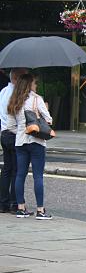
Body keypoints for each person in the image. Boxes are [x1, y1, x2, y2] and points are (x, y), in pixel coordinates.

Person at [6, 73, 53, 219]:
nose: (36, 85)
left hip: (20, 142)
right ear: (29, 85)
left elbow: (10, 126)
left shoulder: (14, 100)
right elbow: (49, 120)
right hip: (36, 142)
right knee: (38, 176)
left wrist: (22, 130)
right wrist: (45, 108)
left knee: (20, 174)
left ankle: (20, 208)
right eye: (34, 83)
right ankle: (40, 210)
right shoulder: (37, 99)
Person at [0, 68, 27, 213]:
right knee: (17, 170)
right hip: (14, 134)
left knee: (6, 169)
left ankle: (2, 203)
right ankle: (15, 203)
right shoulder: (15, 94)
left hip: (4, 133)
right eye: (23, 78)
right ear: (16, 78)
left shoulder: (3, 91)